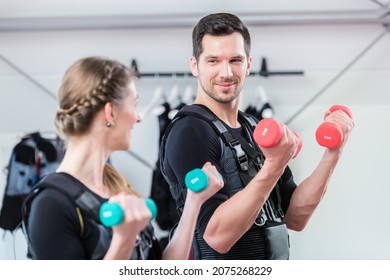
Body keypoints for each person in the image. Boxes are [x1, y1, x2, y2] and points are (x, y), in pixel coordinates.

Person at [160, 13, 355, 259]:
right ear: (194, 65)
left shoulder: (254, 126)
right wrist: (273, 166)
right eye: (213, 61)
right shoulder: (189, 131)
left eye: (235, 60)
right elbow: (216, 237)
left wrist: (332, 153)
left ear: (248, 64)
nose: (226, 72)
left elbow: (295, 217)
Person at [22, 56, 223, 260]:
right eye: (134, 104)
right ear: (110, 112)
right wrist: (124, 239)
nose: (138, 117)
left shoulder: (117, 187)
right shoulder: (50, 206)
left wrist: (193, 202)